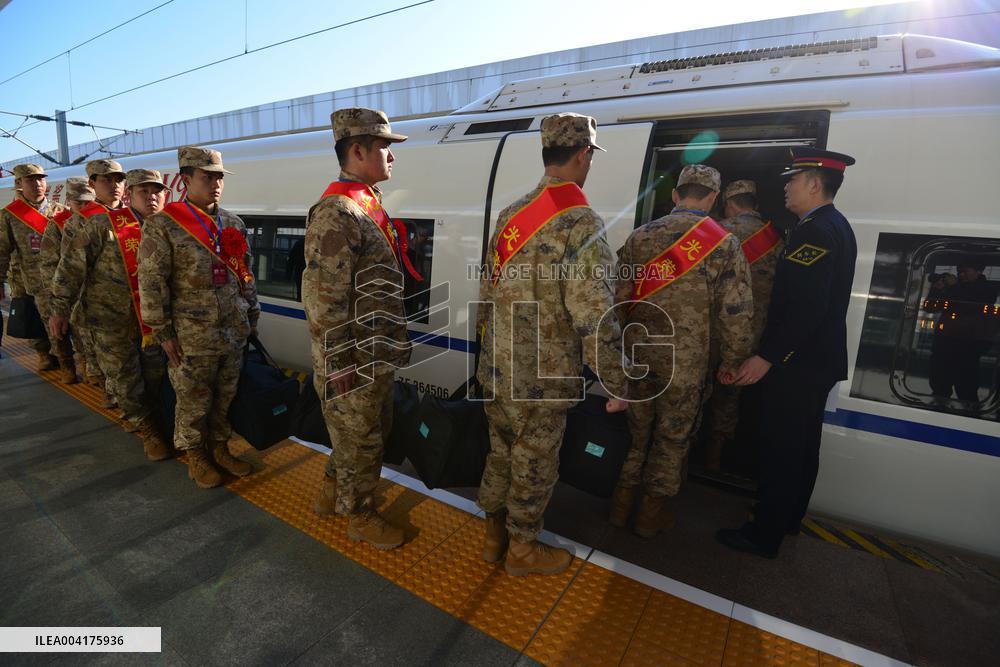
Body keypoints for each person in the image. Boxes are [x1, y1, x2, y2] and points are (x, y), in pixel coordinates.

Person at [476, 112, 629, 576]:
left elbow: (487, 293)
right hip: (544, 377)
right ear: (583, 155)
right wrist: (618, 381)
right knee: (535, 459)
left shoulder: (509, 214)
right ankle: (522, 548)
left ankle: (493, 536)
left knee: (501, 450)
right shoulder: (581, 222)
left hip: (498, 367)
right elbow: (593, 313)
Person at [716, 147, 857, 558]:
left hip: (798, 364)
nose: (786, 186)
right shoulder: (834, 225)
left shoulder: (814, 230)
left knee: (782, 448)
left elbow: (808, 307)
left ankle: (764, 535)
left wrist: (769, 356)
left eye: (792, 180)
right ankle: (789, 517)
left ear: (814, 184)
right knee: (803, 446)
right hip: (815, 362)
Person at [611, 165, 753, 537]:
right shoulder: (724, 244)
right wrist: (733, 361)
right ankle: (649, 517)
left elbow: (617, 302)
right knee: (672, 440)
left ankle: (619, 508)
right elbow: (735, 313)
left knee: (637, 436)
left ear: (675, 195)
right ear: (713, 198)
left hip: (638, 359)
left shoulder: (639, 238)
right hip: (685, 366)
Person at [303, 107, 412, 550]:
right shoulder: (338, 213)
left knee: (359, 434)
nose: (392, 157)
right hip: (354, 360)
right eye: (385, 147)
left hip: (372, 352)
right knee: (363, 441)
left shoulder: (364, 205)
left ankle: (333, 494)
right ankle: (360, 516)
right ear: (357, 149)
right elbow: (325, 299)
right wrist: (337, 363)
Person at [138, 147, 260, 487]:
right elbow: (150, 281)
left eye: (219, 177)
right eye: (207, 177)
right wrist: (163, 332)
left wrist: (252, 313)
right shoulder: (163, 225)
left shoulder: (233, 223)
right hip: (190, 335)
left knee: (225, 397)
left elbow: (246, 275)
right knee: (193, 401)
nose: (216, 184)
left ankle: (220, 448)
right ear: (185, 179)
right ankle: (196, 457)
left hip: (232, 331)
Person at [49, 169, 172, 460]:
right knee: (124, 378)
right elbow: (69, 268)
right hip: (109, 320)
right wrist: (59, 310)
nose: (152, 197)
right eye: (144, 191)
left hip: (152, 322)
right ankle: (147, 428)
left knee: (154, 375)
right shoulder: (100, 224)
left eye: (157, 191)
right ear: (130, 195)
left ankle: (149, 417)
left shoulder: (168, 227)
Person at [704, 179, 783, 471]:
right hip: (757, 335)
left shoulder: (721, 232)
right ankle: (716, 457)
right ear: (755, 204)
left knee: (701, 392)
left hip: (718, 330)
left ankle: (690, 460)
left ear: (729, 204)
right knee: (730, 396)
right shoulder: (776, 237)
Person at [0, 164, 71, 375]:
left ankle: (66, 361)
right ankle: (44, 354)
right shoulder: (9, 215)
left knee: (58, 319)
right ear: (19, 184)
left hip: (60, 276)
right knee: (34, 318)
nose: (37, 184)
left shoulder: (60, 210)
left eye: (40, 179)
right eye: (30, 180)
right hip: (26, 278)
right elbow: (2, 250)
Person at [39, 178, 94, 384]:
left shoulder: (99, 221)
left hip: (89, 290)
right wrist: (54, 293)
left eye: (88, 203)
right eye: (79, 203)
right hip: (64, 287)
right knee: (61, 333)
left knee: (85, 334)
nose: (84, 207)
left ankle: (90, 370)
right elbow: (49, 262)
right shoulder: (58, 225)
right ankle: (67, 366)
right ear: (69, 200)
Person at [926, 260, 998, 402]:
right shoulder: (955, 288)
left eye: (966, 271)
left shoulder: (988, 289)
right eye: (959, 271)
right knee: (939, 387)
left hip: (968, 347)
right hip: (944, 344)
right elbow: (930, 307)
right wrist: (936, 289)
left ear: (979, 271)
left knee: (966, 391)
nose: (961, 274)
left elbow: (973, 305)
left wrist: (953, 287)